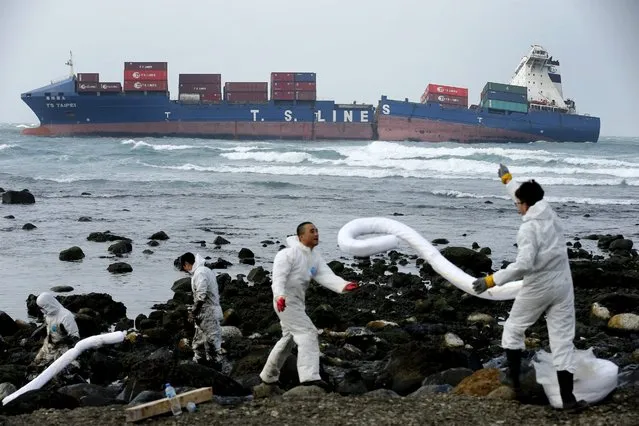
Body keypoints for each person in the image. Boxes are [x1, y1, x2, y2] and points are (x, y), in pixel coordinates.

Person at [472, 164, 587, 411]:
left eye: (518, 204)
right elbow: (524, 196)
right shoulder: (551, 214)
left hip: (538, 287)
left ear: (525, 205)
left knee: (513, 330)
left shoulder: (528, 228)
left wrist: (492, 280)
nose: (517, 207)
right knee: (562, 341)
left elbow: (523, 264)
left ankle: (515, 387)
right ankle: (569, 400)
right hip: (564, 286)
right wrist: (507, 180)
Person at [259, 222, 359, 389]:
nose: (316, 234)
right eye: (312, 231)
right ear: (301, 236)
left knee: (288, 338)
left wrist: (343, 285)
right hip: (285, 302)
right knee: (308, 332)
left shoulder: (314, 257)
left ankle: (268, 376)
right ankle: (309, 377)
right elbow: (278, 279)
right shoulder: (287, 254)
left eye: (317, 231)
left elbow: (326, 275)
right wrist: (279, 296)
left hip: (297, 302)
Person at [178, 252, 225, 368]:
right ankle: (200, 366)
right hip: (205, 313)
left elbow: (201, 295)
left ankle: (216, 370)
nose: (185, 270)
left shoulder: (200, 273)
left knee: (212, 343)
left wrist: (192, 313)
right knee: (198, 343)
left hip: (209, 312)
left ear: (187, 264)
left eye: (184, 267)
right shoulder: (205, 270)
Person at [32, 292, 80, 369]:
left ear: (47, 305)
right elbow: (48, 326)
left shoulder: (65, 316)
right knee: (36, 364)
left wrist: (65, 340)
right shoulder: (48, 314)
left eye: (42, 307)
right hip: (48, 344)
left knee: (63, 368)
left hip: (63, 347)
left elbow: (75, 337)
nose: (41, 310)